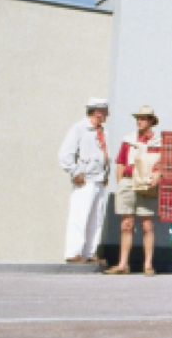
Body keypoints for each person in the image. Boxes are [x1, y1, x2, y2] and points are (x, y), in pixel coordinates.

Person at [105, 106, 161, 277]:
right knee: (126, 224)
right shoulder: (128, 140)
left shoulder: (158, 142)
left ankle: (148, 264)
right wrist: (121, 183)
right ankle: (122, 264)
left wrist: (157, 176)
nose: (140, 121)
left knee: (147, 225)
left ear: (151, 120)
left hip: (146, 183)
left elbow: (162, 163)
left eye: (143, 118)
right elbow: (120, 163)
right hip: (129, 182)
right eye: (138, 118)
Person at [58, 98, 110, 263]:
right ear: (97, 112)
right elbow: (65, 154)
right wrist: (75, 172)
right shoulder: (80, 129)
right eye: (105, 110)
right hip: (85, 180)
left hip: (99, 180)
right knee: (79, 216)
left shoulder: (103, 132)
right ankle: (73, 252)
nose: (108, 114)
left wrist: (106, 174)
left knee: (96, 218)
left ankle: (89, 253)